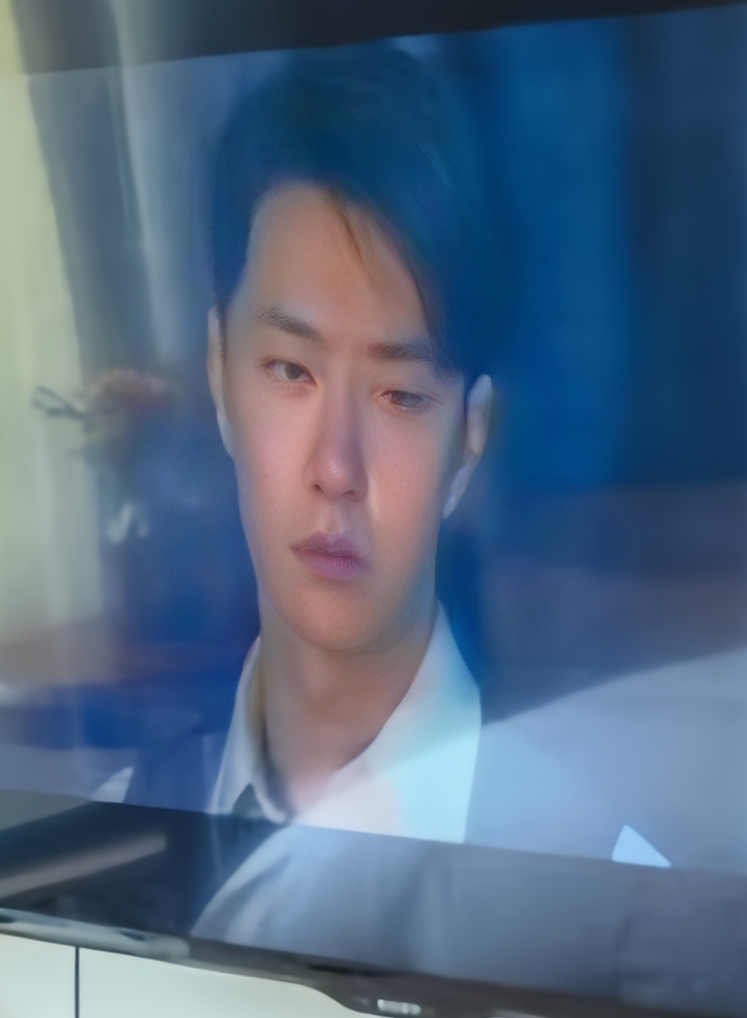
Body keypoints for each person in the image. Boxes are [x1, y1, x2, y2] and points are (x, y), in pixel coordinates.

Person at [154, 46, 508, 841]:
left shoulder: (600, 879)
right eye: (291, 371)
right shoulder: (117, 831)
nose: (336, 469)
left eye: (400, 395)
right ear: (219, 374)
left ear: (469, 439)